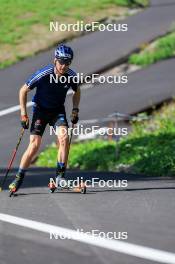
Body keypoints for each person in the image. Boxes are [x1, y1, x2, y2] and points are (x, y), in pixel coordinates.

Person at [9, 44, 80, 193]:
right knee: (34, 145)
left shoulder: (71, 76)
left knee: (64, 138)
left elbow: (77, 90)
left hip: (57, 111)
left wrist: (75, 109)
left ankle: (60, 177)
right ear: (55, 60)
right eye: (61, 62)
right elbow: (23, 90)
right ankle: (18, 178)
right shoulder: (44, 74)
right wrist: (23, 114)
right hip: (40, 111)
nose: (64, 66)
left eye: (67, 62)